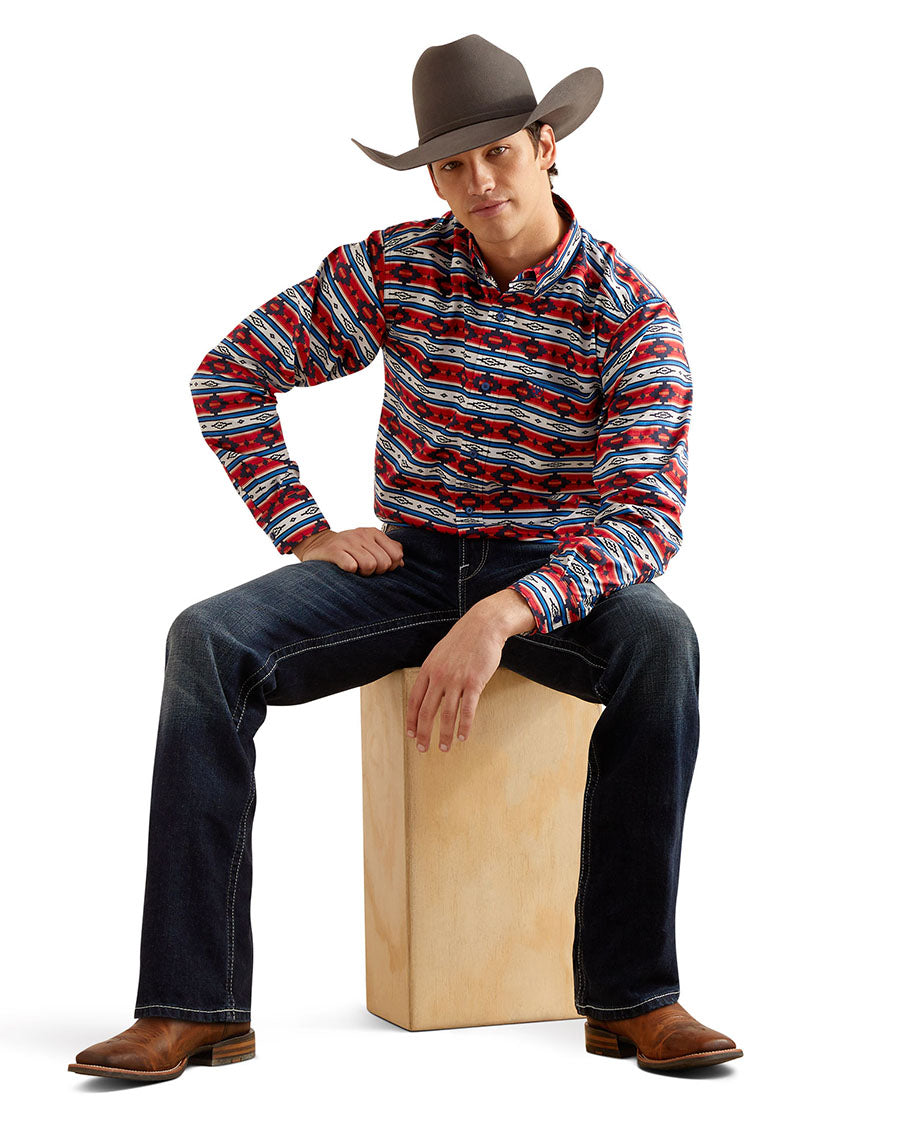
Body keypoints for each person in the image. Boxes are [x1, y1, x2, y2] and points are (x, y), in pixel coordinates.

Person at [69, 33, 742, 1081]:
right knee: (206, 641)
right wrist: (304, 528)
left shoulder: (630, 313)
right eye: (453, 164)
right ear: (432, 177)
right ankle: (193, 1007)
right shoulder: (397, 267)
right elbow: (230, 374)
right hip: (410, 561)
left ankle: (634, 997)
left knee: (665, 642)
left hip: (552, 578)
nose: (479, 182)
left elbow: (646, 517)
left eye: (500, 153)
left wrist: (504, 613)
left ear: (547, 146)